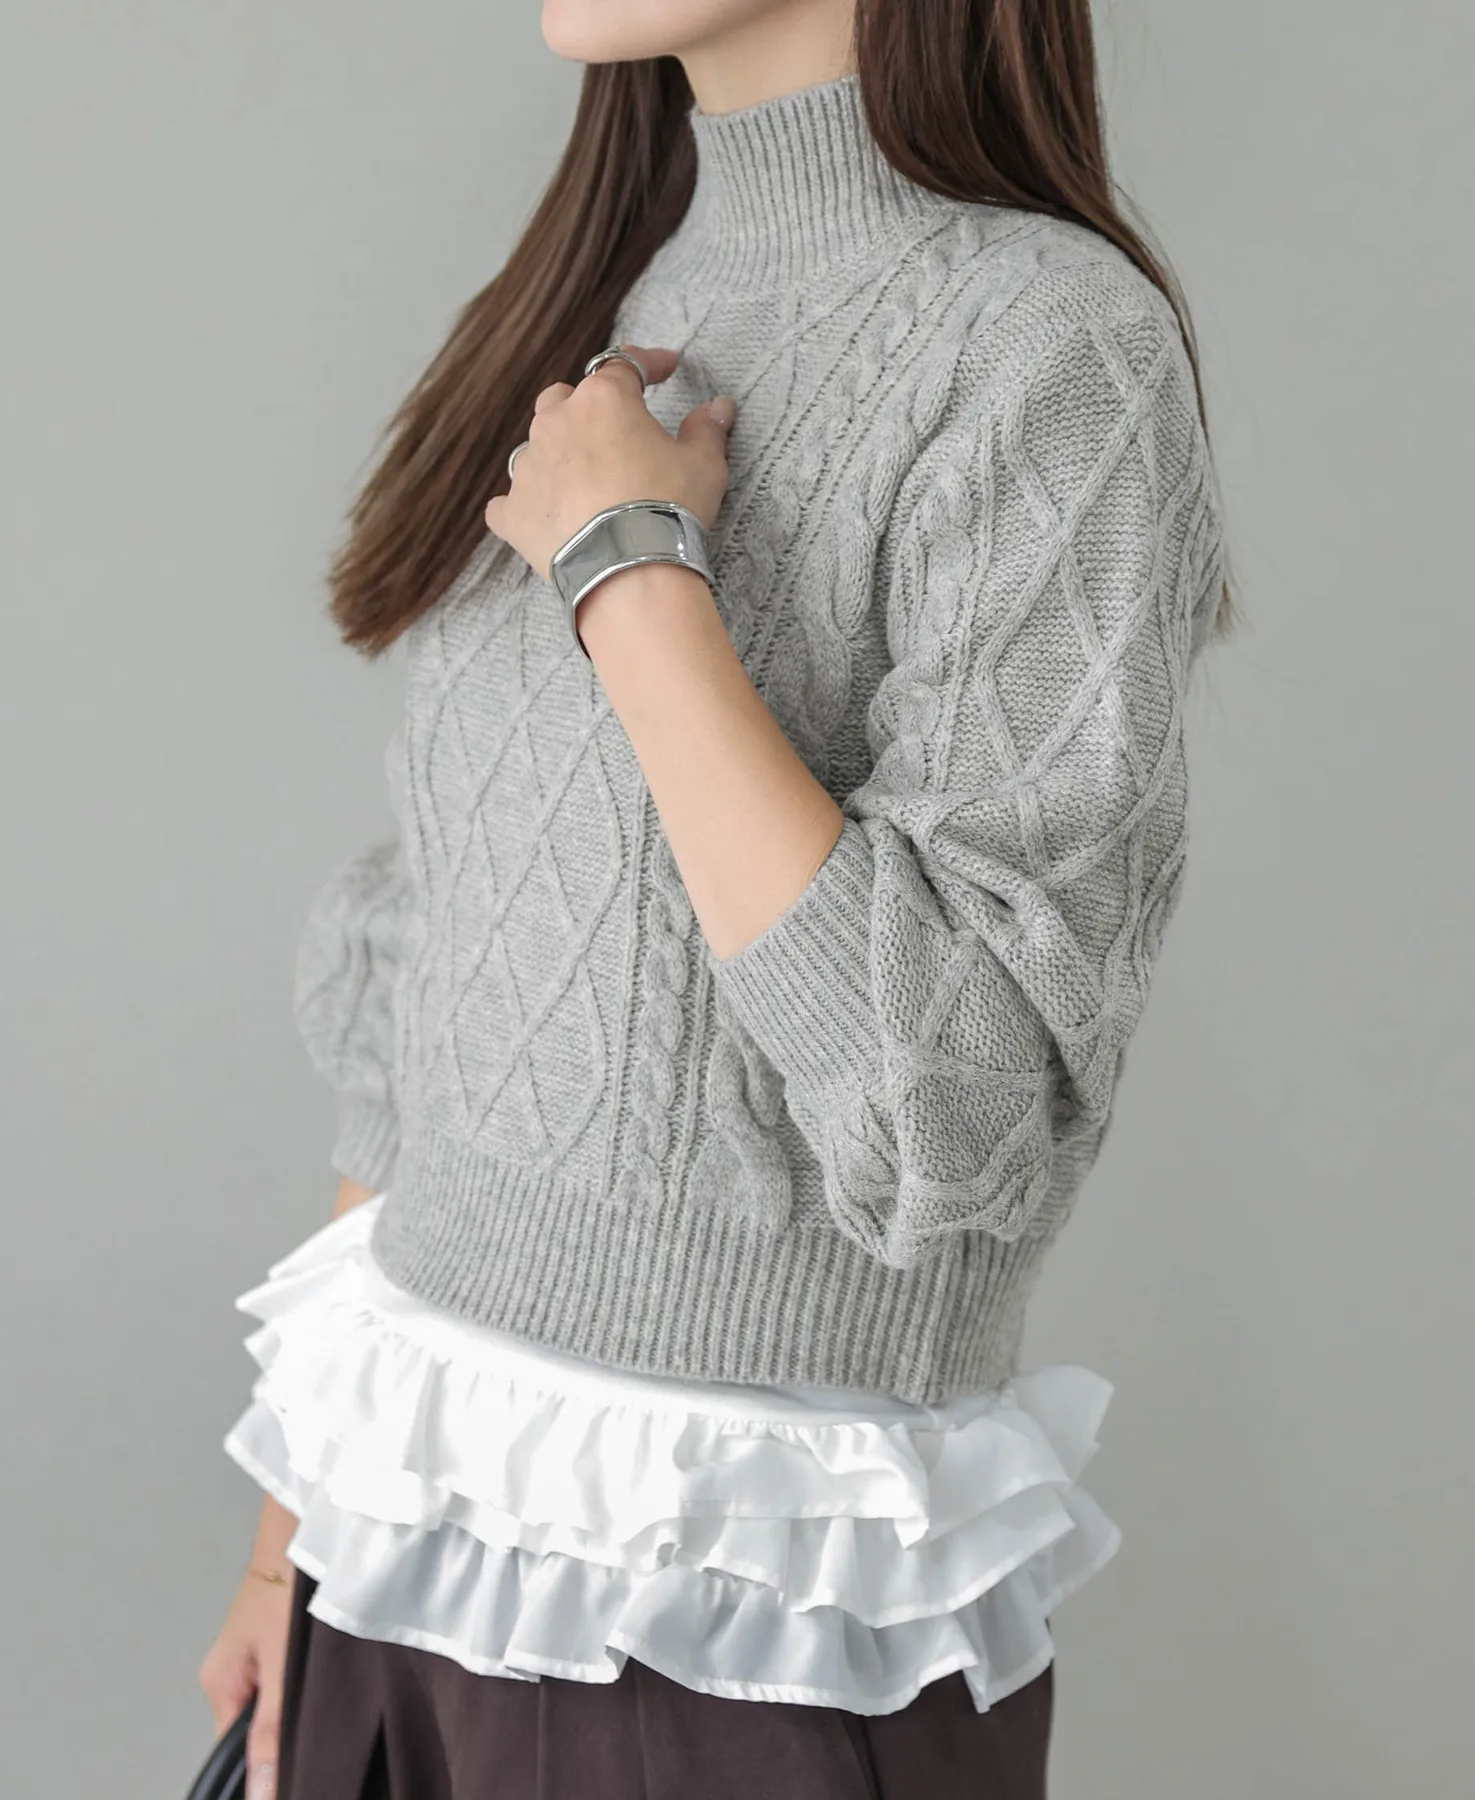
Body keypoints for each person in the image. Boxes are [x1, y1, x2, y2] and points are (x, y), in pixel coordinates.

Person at [197, 1, 1233, 1795]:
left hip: (735, 1627)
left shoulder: (1052, 344)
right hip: (394, 1556)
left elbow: (962, 1116)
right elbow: (422, 976)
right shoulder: (598, 301)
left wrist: (632, 577)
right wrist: (288, 1538)